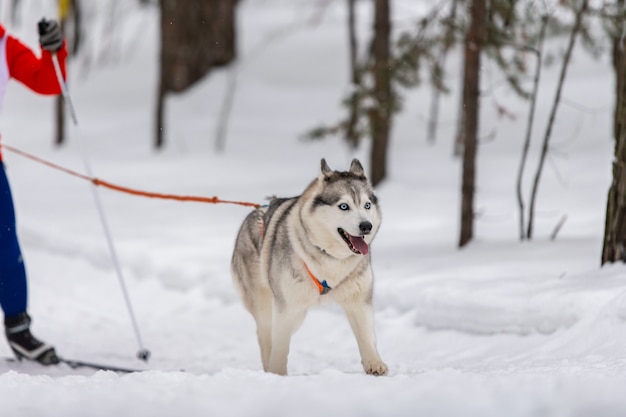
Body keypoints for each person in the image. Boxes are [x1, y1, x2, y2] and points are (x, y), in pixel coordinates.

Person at [0, 19, 67, 365]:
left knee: (6, 246)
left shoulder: (5, 46)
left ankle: (18, 329)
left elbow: (48, 82)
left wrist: (53, 51)